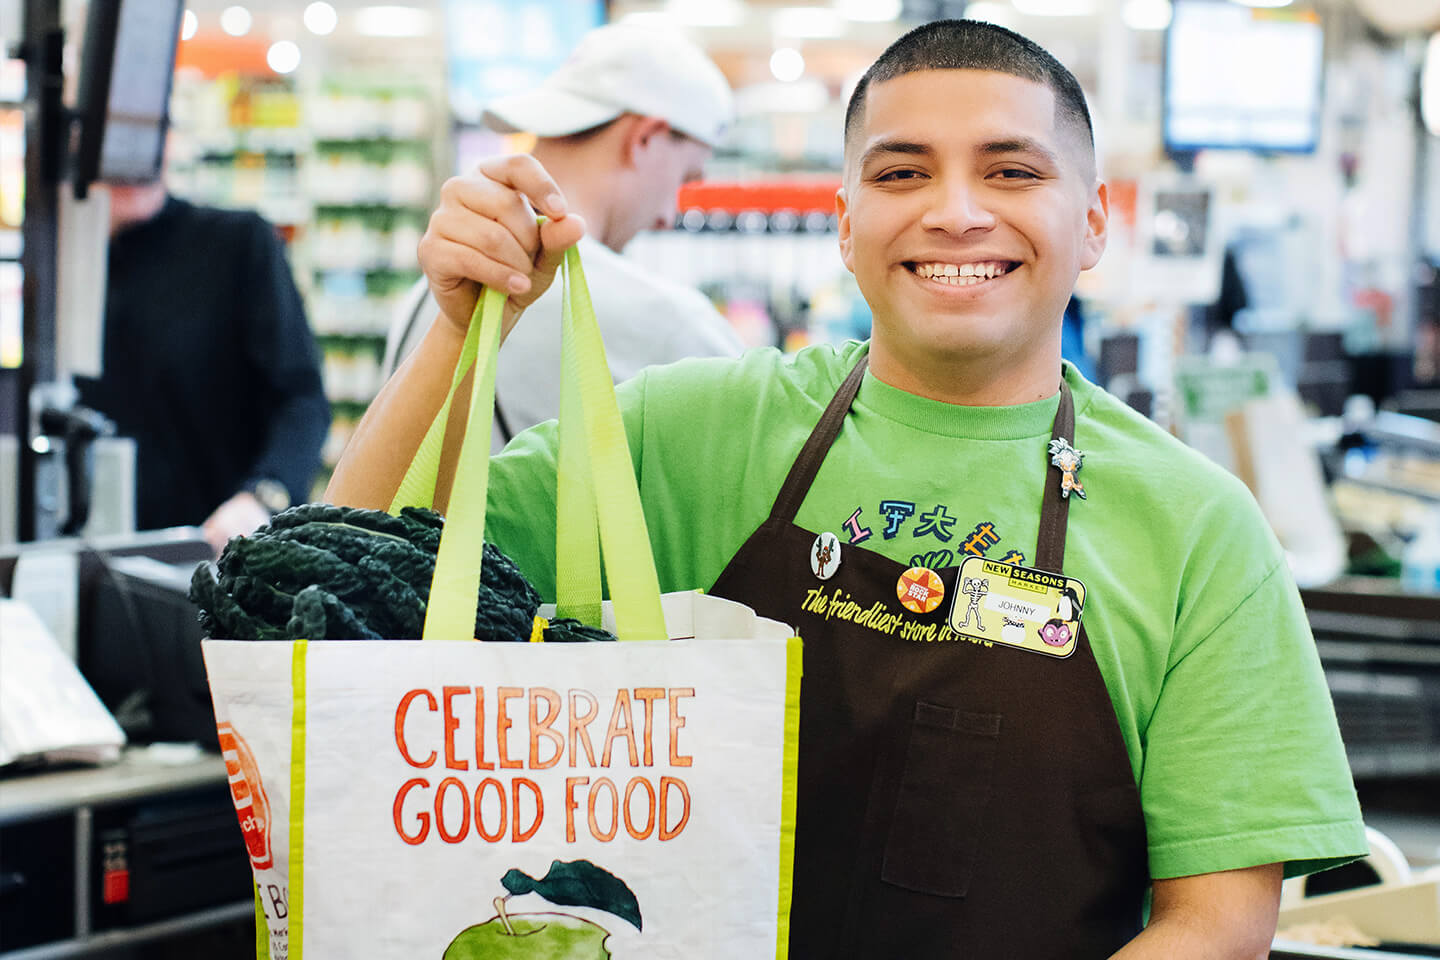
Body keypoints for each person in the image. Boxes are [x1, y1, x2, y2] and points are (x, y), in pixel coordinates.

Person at [329, 20, 1366, 957]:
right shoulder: (681, 435)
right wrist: (463, 333)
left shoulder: (1198, 528)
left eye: (1011, 172)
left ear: (1093, 221)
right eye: (903, 173)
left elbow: (1219, 922)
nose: (956, 214)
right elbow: (342, 592)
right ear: (845, 223)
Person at [382, 23, 744, 449]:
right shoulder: (672, 324)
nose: (667, 216)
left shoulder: (425, 297)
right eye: (685, 176)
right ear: (644, 138)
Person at [75, 176, 330, 555]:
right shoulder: (51, 256)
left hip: (217, 563)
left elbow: (301, 398)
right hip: (85, 561)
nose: (128, 161)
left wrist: (261, 497)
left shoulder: (237, 242)